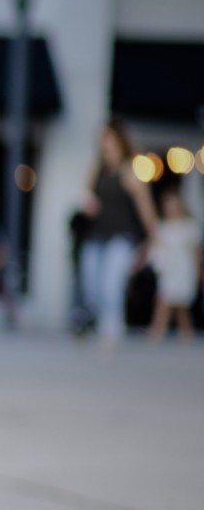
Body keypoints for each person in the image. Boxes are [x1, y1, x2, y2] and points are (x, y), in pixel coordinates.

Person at [78, 119, 159, 351]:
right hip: (95, 235)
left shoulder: (130, 171)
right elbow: (86, 195)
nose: (105, 144)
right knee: (92, 288)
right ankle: (102, 327)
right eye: (102, 140)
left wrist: (154, 237)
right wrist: (87, 203)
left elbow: (145, 208)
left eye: (109, 139)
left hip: (121, 237)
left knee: (111, 286)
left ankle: (110, 335)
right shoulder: (96, 168)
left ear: (119, 142)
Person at [145, 186, 200, 344]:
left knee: (181, 305)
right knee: (164, 300)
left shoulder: (189, 227)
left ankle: (186, 334)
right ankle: (157, 331)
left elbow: (195, 252)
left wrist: (198, 271)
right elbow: (155, 248)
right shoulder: (162, 228)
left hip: (183, 270)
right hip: (169, 270)